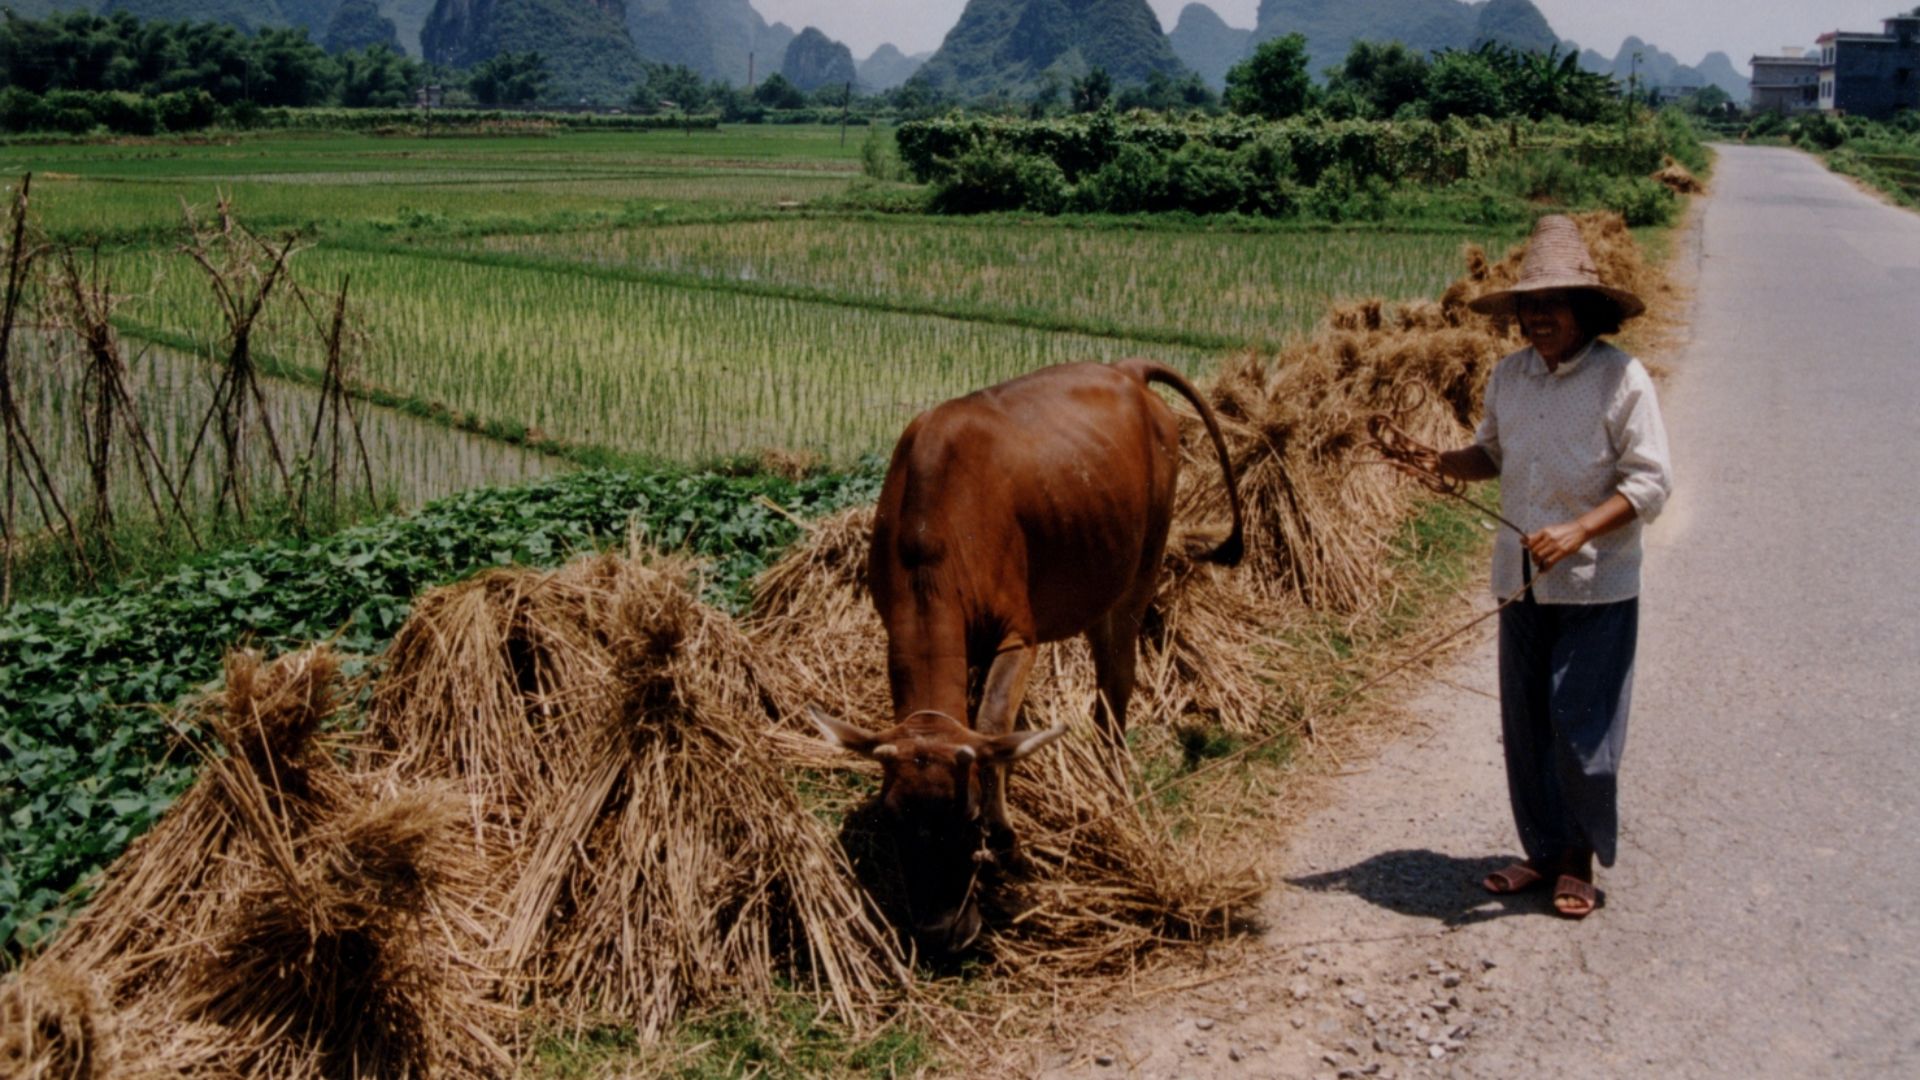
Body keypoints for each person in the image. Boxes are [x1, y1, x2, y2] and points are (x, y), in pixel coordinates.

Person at [1420, 215, 1673, 919]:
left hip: (1598, 584)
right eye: (1530, 306)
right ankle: (1540, 851)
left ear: (1585, 311)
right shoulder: (1511, 377)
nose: (1539, 318)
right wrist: (1438, 462)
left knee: (1580, 726)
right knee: (1527, 722)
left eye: (1553, 304)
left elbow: (1651, 481)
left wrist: (1581, 528)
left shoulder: (1621, 380)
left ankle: (1579, 861)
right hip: (1520, 578)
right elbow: (1492, 455)